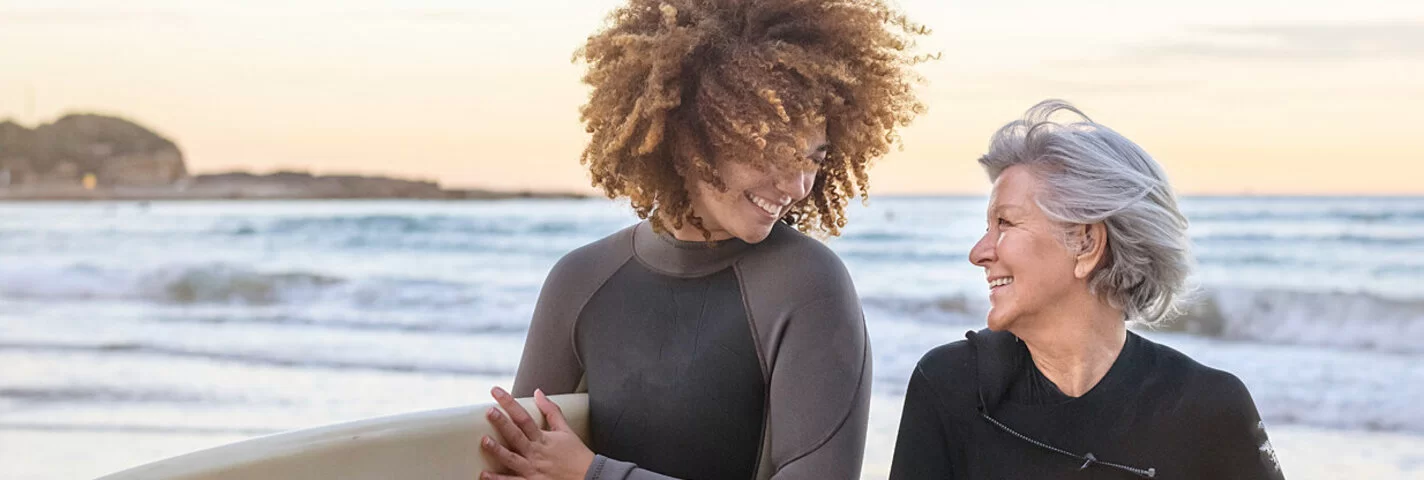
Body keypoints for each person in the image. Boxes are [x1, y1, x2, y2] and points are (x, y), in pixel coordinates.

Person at [479, 1, 928, 479]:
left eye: (813, 159)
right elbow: (518, 465)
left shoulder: (809, 287)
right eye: (774, 150)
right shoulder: (579, 280)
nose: (797, 186)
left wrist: (596, 474)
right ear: (691, 127)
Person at [889, 100, 1285, 479]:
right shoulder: (948, 386)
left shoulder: (1210, 407)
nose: (979, 253)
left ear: (1085, 243)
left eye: (1005, 224)